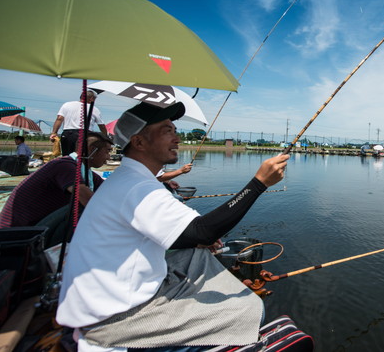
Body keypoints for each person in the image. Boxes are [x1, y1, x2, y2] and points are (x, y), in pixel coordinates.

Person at [56, 102, 289, 351]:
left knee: (197, 252)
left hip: (105, 296)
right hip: (111, 317)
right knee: (250, 309)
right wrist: (258, 183)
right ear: (139, 142)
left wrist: (199, 237)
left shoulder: (130, 178)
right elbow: (203, 231)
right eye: (167, 131)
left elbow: (195, 233)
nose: (177, 138)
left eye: (174, 130)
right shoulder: (136, 186)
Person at [0, 132, 113, 229]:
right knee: (81, 209)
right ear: (92, 150)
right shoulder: (64, 166)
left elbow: (110, 191)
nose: (108, 157)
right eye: (107, 151)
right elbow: (87, 199)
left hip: (37, 226)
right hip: (18, 231)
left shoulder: (87, 173)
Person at [50, 89, 109, 156]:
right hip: (84, 134)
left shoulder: (67, 105)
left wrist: (54, 133)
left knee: (67, 156)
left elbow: (59, 118)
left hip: (67, 134)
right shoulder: (93, 109)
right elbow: (101, 126)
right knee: (82, 157)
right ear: (91, 99)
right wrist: (105, 137)